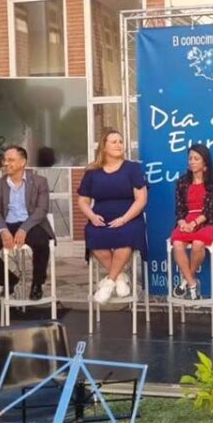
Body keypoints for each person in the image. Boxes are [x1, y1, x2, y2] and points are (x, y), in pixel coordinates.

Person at [0, 145, 55, 300]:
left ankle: (37, 284)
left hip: (31, 224)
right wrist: (3, 230)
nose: (5, 163)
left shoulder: (39, 181)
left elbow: (41, 210)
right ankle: (9, 280)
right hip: (7, 225)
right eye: (4, 160)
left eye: (10, 160)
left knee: (41, 243)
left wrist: (24, 228)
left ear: (23, 162)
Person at [78, 129, 148, 303]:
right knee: (93, 233)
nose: (119, 145)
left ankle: (108, 283)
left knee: (126, 235)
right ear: (104, 146)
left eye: (121, 141)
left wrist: (124, 218)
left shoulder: (132, 168)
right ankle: (119, 277)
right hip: (101, 217)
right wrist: (92, 216)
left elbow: (141, 199)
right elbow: (82, 201)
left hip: (129, 217)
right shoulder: (92, 172)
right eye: (114, 142)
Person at [170, 144, 213, 300]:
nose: (192, 162)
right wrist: (183, 224)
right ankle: (193, 284)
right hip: (186, 221)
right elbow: (179, 208)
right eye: (190, 158)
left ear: (205, 162)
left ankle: (185, 280)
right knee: (177, 243)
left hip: (208, 221)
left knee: (198, 243)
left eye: (196, 158)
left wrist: (194, 225)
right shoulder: (182, 181)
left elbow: (210, 209)